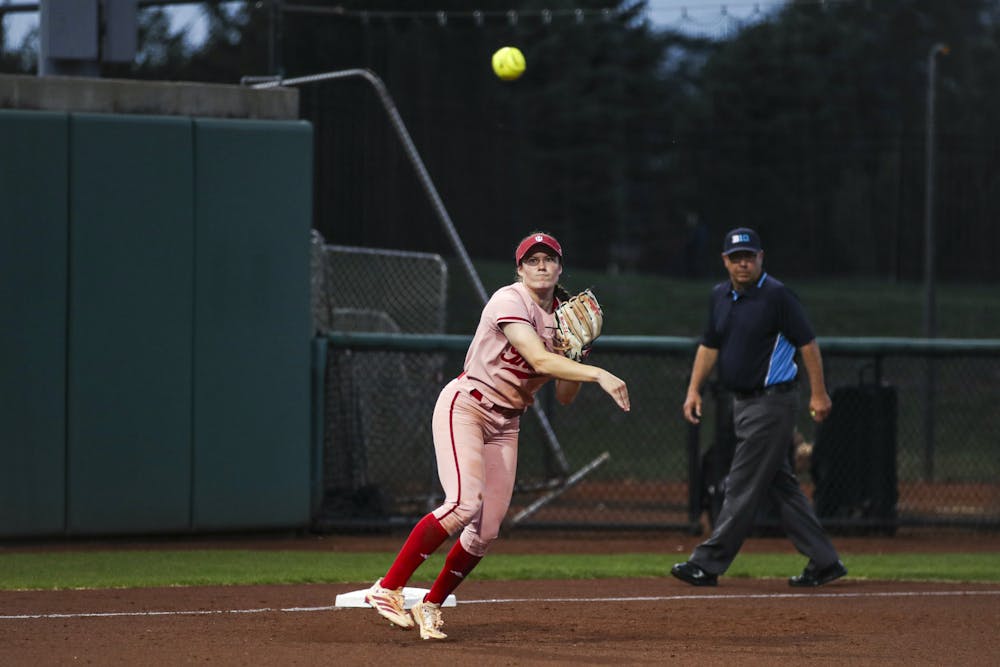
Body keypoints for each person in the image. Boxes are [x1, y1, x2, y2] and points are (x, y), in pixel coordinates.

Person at [365, 231, 630, 640]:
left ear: (560, 268)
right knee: (462, 504)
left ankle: (430, 607)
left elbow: (563, 396)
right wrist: (599, 373)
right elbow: (539, 358)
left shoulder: (564, 318)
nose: (541, 266)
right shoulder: (510, 300)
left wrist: (580, 354)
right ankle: (387, 588)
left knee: (486, 529)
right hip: (467, 406)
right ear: (519, 269)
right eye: (532, 260)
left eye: (549, 259)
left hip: (507, 423)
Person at [672, 227, 846, 588]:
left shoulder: (777, 296)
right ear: (725, 261)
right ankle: (825, 560)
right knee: (780, 485)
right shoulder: (719, 296)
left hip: (773, 403)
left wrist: (819, 394)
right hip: (743, 405)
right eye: (736, 258)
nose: (743, 264)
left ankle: (707, 562)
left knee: (741, 483)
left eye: (749, 257)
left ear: (761, 258)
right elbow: (709, 345)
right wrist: (693, 390)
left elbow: (808, 344)